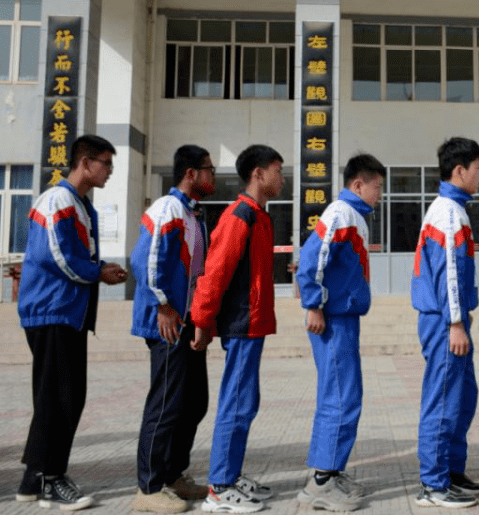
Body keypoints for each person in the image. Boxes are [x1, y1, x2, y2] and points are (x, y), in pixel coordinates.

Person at [16, 134, 128, 510]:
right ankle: (51, 479)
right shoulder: (57, 200)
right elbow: (56, 256)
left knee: (59, 396)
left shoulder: (78, 204)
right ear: (84, 162)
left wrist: (100, 270)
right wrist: (99, 273)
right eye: (106, 163)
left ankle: (34, 479)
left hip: (67, 312)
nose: (110, 171)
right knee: (61, 397)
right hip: (51, 311)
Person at [190, 145, 284, 514]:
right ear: (258, 174)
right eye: (277, 170)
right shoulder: (239, 217)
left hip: (254, 323)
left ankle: (231, 474)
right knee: (236, 402)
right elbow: (215, 273)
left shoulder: (259, 216)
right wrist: (202, 321)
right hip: (241, 323)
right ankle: (220, 487)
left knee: (246, 402)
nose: (282, 177)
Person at [294, 154, 387, 512]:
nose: (380, 193)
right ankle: (320, 484)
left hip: (343, 318)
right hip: (332, 319)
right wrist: (313, 304)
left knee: (344, 395)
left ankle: (331, 472)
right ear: (358, 185)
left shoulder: (354, 217)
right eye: (377, 187)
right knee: (339, 397)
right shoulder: (340, 214)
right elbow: (312, 256)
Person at [130, 145, 218, 512]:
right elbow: (143, 259)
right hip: (167, 324)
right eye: (209, 169)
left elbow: (198, 272)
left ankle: (173, 475)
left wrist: (200, 319)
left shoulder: (194, 215)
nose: (213, 176)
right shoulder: (168, 209)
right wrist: (163, 304)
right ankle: (148, 489)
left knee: (194, 402)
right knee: (165, 405)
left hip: (188, 323)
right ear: (191, 174)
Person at [412, 137, 479, 509]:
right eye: (478, 169)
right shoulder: (448, 213)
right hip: (444, 323)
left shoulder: (453, 209)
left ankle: (452, 473)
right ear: (460, 171)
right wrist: (456, 322)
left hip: (451, 319)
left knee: (462, 397)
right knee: (442, 400)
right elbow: (450, 275)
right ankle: (434, 485)